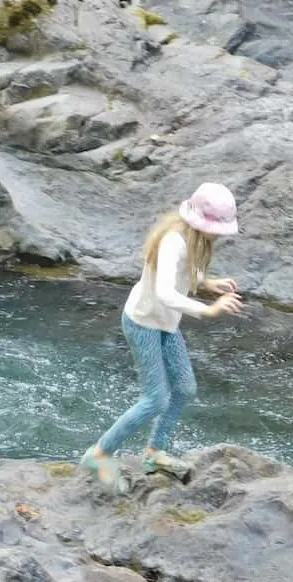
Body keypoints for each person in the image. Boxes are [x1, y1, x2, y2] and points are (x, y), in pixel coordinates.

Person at [80, 182, 243, 491]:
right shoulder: (173, 242)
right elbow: (165, 292)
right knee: (156, 399)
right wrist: (208, 311)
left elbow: (182, 274)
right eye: (217, 228)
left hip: (165, 324)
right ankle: (99, 454)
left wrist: (207, 283)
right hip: (143, 324)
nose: (220, 234)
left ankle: (155, 452)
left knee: (184, 388)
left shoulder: (190, 241)